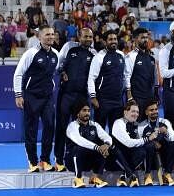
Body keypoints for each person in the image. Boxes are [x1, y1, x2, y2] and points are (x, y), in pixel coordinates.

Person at [13, 25, 60, 172]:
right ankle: (32, 162)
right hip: (31, 96)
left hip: (47, 97)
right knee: (31, 129)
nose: (51, 37)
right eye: (47, 34)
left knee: (50, 126)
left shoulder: (56, 54)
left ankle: (45, 160)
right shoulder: (31, 53)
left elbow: (56, 71)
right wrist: (18, 94)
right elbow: (18, 74)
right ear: (39, 37)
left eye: (52, 34)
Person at [54, 28, 96, 172]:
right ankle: (59, 159)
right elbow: (58, 66)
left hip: (82, 97)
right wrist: (63, 72)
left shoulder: (94, 53)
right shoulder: (68, 47)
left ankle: (76, 159)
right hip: (66, 94)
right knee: (62, 127)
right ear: (79, 36)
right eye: (85, 36)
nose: (88, 39)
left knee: (81, 128)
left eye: (90, 37)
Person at [65, 100, 126, 188]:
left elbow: (107, 137)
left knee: (105, 147)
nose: (87, 113)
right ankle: (77, 179)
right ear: (77, 113)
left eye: (89, 111)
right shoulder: (72, 126)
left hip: (88, 162)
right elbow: (79, 140)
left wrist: (106, 144)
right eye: (84, 110)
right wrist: (98, 147)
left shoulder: (95, 125)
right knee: (79, 148)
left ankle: (95, 178)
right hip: (72, 161)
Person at [111, 100, 158, 187]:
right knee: (115, 148)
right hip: (116, 160)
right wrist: (148, 139)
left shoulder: (137, 125)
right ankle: (131, 175)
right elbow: (128, 143)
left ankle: (124, 177)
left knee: (144, 149)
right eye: (133, 111)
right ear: (125, 112)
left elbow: (140, 143)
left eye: (137, 112)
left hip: (130, 159)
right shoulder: (118, 123)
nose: (136, 114)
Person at [87, 30, 126, 130]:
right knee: (100, 130)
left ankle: (114, 146)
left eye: (115, 39)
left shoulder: (121, 55)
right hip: (103, 100)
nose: (113, 41)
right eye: (110, 39)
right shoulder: (99, 57)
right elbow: (91, 78)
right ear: (105, 42)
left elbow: (125, 76)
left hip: (118, 100)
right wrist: (93, 97)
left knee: (117, 131)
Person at [138, 100, 174, 186]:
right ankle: (147, 174)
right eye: (151, 110)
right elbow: (139, 143)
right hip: (150, 156)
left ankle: (167, 173)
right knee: (149, 146)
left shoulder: (165, 122)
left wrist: (166, 132)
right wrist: (153, 142)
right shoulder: (141, 126)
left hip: (164, 153)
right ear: (146, 112)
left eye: (156, 109)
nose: (154, 112)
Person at [124, 28, 158, 120]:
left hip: (150, 98)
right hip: (137, 98)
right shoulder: (130, 57)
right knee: (135, 125)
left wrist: (156, 93)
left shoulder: (151, 57)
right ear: (135, 39)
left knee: (148, 126)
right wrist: (129, 97)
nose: (146, 40)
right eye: (142, 37)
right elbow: (126, 77)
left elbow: (155, 77)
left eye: (147, 37)